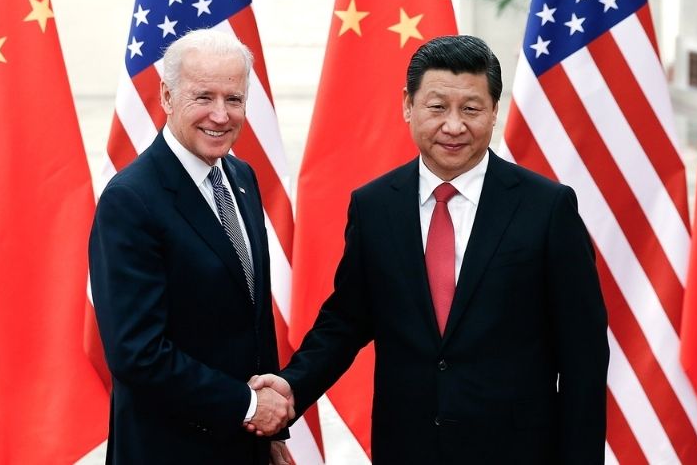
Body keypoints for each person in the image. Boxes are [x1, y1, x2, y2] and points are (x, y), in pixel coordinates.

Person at [250, 35, 609, 463]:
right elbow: (345, 322)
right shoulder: (374, 206)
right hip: (407, 448)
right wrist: (292, 387)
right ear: (408, 105)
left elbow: (584, 357)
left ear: (495, 110)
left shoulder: (547, 208)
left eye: (471, 109)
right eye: (437, 107)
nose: (453, 126)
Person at [90, 29, 292, 465]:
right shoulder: (131, 199)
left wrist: (270, 433)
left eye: (234, 99)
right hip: (168, 450)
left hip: (245, 446)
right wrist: (249, 406)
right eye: (203, 97)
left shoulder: (242, 178)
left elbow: (253, 319)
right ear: (167, 96)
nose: (220, 115)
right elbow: (137, 353)